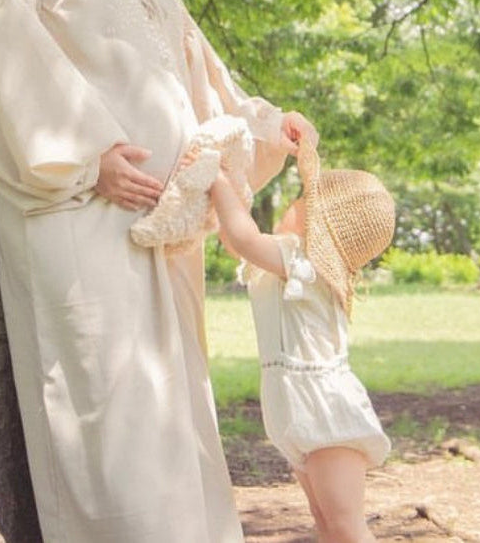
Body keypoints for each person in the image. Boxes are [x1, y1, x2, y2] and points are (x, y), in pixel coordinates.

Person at [0, 0, 316, 543]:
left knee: (171, 416)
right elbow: (9, 62)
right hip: (78, 218)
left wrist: (260, 123)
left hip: (162, 228)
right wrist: (89, 161)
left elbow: (194, 72)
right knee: (107, 425)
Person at [133, 131, 395, 543]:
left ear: (319, 224)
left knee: (344, 523)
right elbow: (234, 239)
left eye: (300, 204)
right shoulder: (286, 260)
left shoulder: (304, 264)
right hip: (296, 407)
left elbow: (243, 238)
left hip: (327, 412)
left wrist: (218, 178)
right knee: (326, 522)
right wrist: (228, 185)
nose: (291, 207)